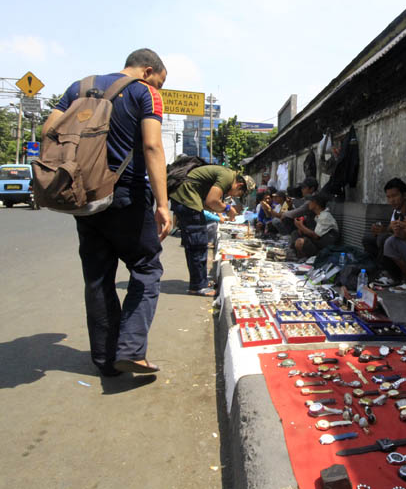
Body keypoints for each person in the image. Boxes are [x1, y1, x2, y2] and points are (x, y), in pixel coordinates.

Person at [47, 48, 171, 376]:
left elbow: (49, 132)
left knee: (99, 277)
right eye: (158, 82)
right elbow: (152, 146)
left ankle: (104, 360)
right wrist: (163, 204)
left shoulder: (78, 87)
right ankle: (130, 350)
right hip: (126, 194)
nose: (157, 89)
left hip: (84, 196)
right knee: (146, 268)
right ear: (148, 71)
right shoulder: (144, 93)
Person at [169, 165, 254, 295]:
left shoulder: (227, 176)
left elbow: (208, 205)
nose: (235, 196)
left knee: (196, 244)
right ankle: (198, 286)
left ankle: (200, 280)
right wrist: (227, 209)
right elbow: (212, 200)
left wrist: (224, 210)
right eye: (239, 194)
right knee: (197, 244)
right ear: (239, 185)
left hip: (185, 199)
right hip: (186, 200)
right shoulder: (227, 176)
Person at [362, 177, 406, 284]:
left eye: (394, 196)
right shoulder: (396, 211)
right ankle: (376, 269)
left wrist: (395, 234)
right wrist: (381, 229)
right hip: (396, 246)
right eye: (389, 197)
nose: (391, 200)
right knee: (368, 239)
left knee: (384, 239)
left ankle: (392, 275)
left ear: (405, 195)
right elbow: (390, 229)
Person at [293, 192, 339, 258]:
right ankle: (296, 254)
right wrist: (300, 228)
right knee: (296, 234)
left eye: (311, 201)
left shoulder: (325, 216)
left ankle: (301, 256)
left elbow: (315, 236)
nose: (309, 203)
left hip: (325, 248)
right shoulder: (318, 216)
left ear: (316, 204)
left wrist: (300, 226)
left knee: (301, 242)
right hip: (319, 243)